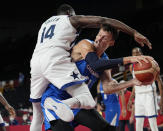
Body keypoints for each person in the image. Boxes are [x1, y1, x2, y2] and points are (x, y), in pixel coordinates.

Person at [30, 3, 152, 131]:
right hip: (56, 97)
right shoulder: (85, 45)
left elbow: (108, 87)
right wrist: (129, 59)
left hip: (78, 103)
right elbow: (94, 64)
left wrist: (131, 82)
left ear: (111, 43)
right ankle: (56, 106)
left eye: (104, 38)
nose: (99, 39)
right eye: (99, 34)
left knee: (107, 129)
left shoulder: (105, 60)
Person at [127, 47, 163, 131]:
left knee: (152, 122)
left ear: (141, 54)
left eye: (138, 53)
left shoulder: (150, 63)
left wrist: (162, 102)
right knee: (138, 123)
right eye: (134, 53)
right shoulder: (131, 67)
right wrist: (130, 99)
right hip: (138, 96)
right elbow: (135, 84)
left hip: (149, 94)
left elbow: (159, 82)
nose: (136, 55)